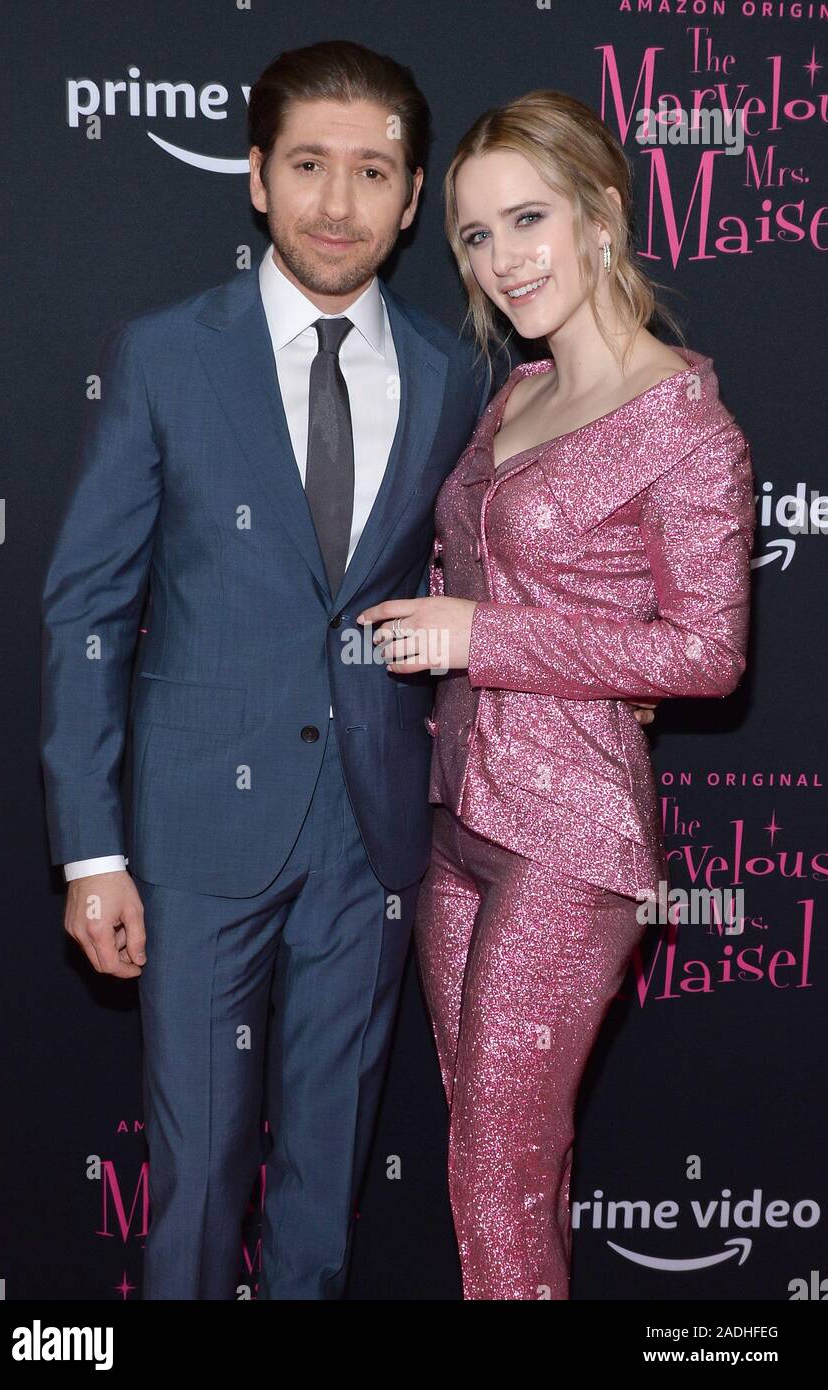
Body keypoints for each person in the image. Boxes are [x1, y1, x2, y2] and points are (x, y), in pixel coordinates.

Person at [39, 39, 493, 1301]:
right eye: (307, 165)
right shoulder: (166, 355)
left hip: (372, 829)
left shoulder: (459, 376)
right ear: (255, 176)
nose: (336, 203)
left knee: (327, 1170)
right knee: (195, 1170)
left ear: (412, 199)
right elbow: (87, 609)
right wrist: (91, 853)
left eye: (370, 172)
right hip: (189, 831)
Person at [357, 89, 755, 1300]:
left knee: (495, 1166)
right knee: (493, 1161)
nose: (499, 259)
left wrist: (483, 633)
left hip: (567, 838)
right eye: (473, 235)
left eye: (525, 219)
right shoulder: (515, 394)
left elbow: (704, 655)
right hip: (451, 821)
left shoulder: (689, 430)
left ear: (599, 216)